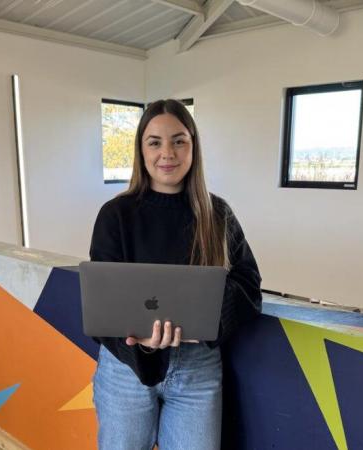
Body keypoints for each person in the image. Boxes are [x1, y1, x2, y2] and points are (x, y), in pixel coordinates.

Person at [89, 99, 262, 450]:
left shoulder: (217, 213)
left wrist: (207, 323)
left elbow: (248, 284)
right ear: (141, 150)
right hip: (126, 370)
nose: (167, 152)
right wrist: (139, 342)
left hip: (197, 369)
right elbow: (101, 304)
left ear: (193, 147)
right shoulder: (115, 214)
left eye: (179, 140)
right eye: (155, 142)